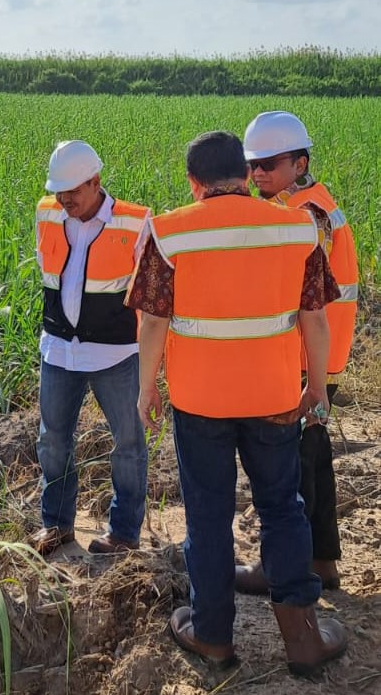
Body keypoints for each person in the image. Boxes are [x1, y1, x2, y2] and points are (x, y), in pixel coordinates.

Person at [129, 131, 347, 676]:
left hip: (201, 402)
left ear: (193, 183)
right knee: (282, 507)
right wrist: (316, 387)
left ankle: (213, 638)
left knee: (207, 516)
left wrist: (146, 387)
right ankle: (302, 641)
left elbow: (153, 320)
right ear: (247, 175)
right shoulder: (296, 228)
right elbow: (314, 319)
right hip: (274, 396)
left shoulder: (170, 232)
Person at [235, 111, 358, 595]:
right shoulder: (308, 203)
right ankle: (322, 562)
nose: (257, 173)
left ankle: (285, 568)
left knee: (287, 469)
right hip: (318, 357)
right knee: (313, 456)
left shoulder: (304, 215)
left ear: (300, 161)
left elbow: (298, 298)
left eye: (269, 163)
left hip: (304, 360)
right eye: (252, 164)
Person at [28, 140, 149, 556]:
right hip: (59, 351)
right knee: (53, 441)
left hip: (115, 355)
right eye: (59, 193)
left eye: (73, 193)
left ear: (95, 182)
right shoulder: (47, 212)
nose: (65, 202)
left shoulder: (136, 222)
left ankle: (124, 533)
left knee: (128, 444)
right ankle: (57, 525)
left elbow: (150, 296)